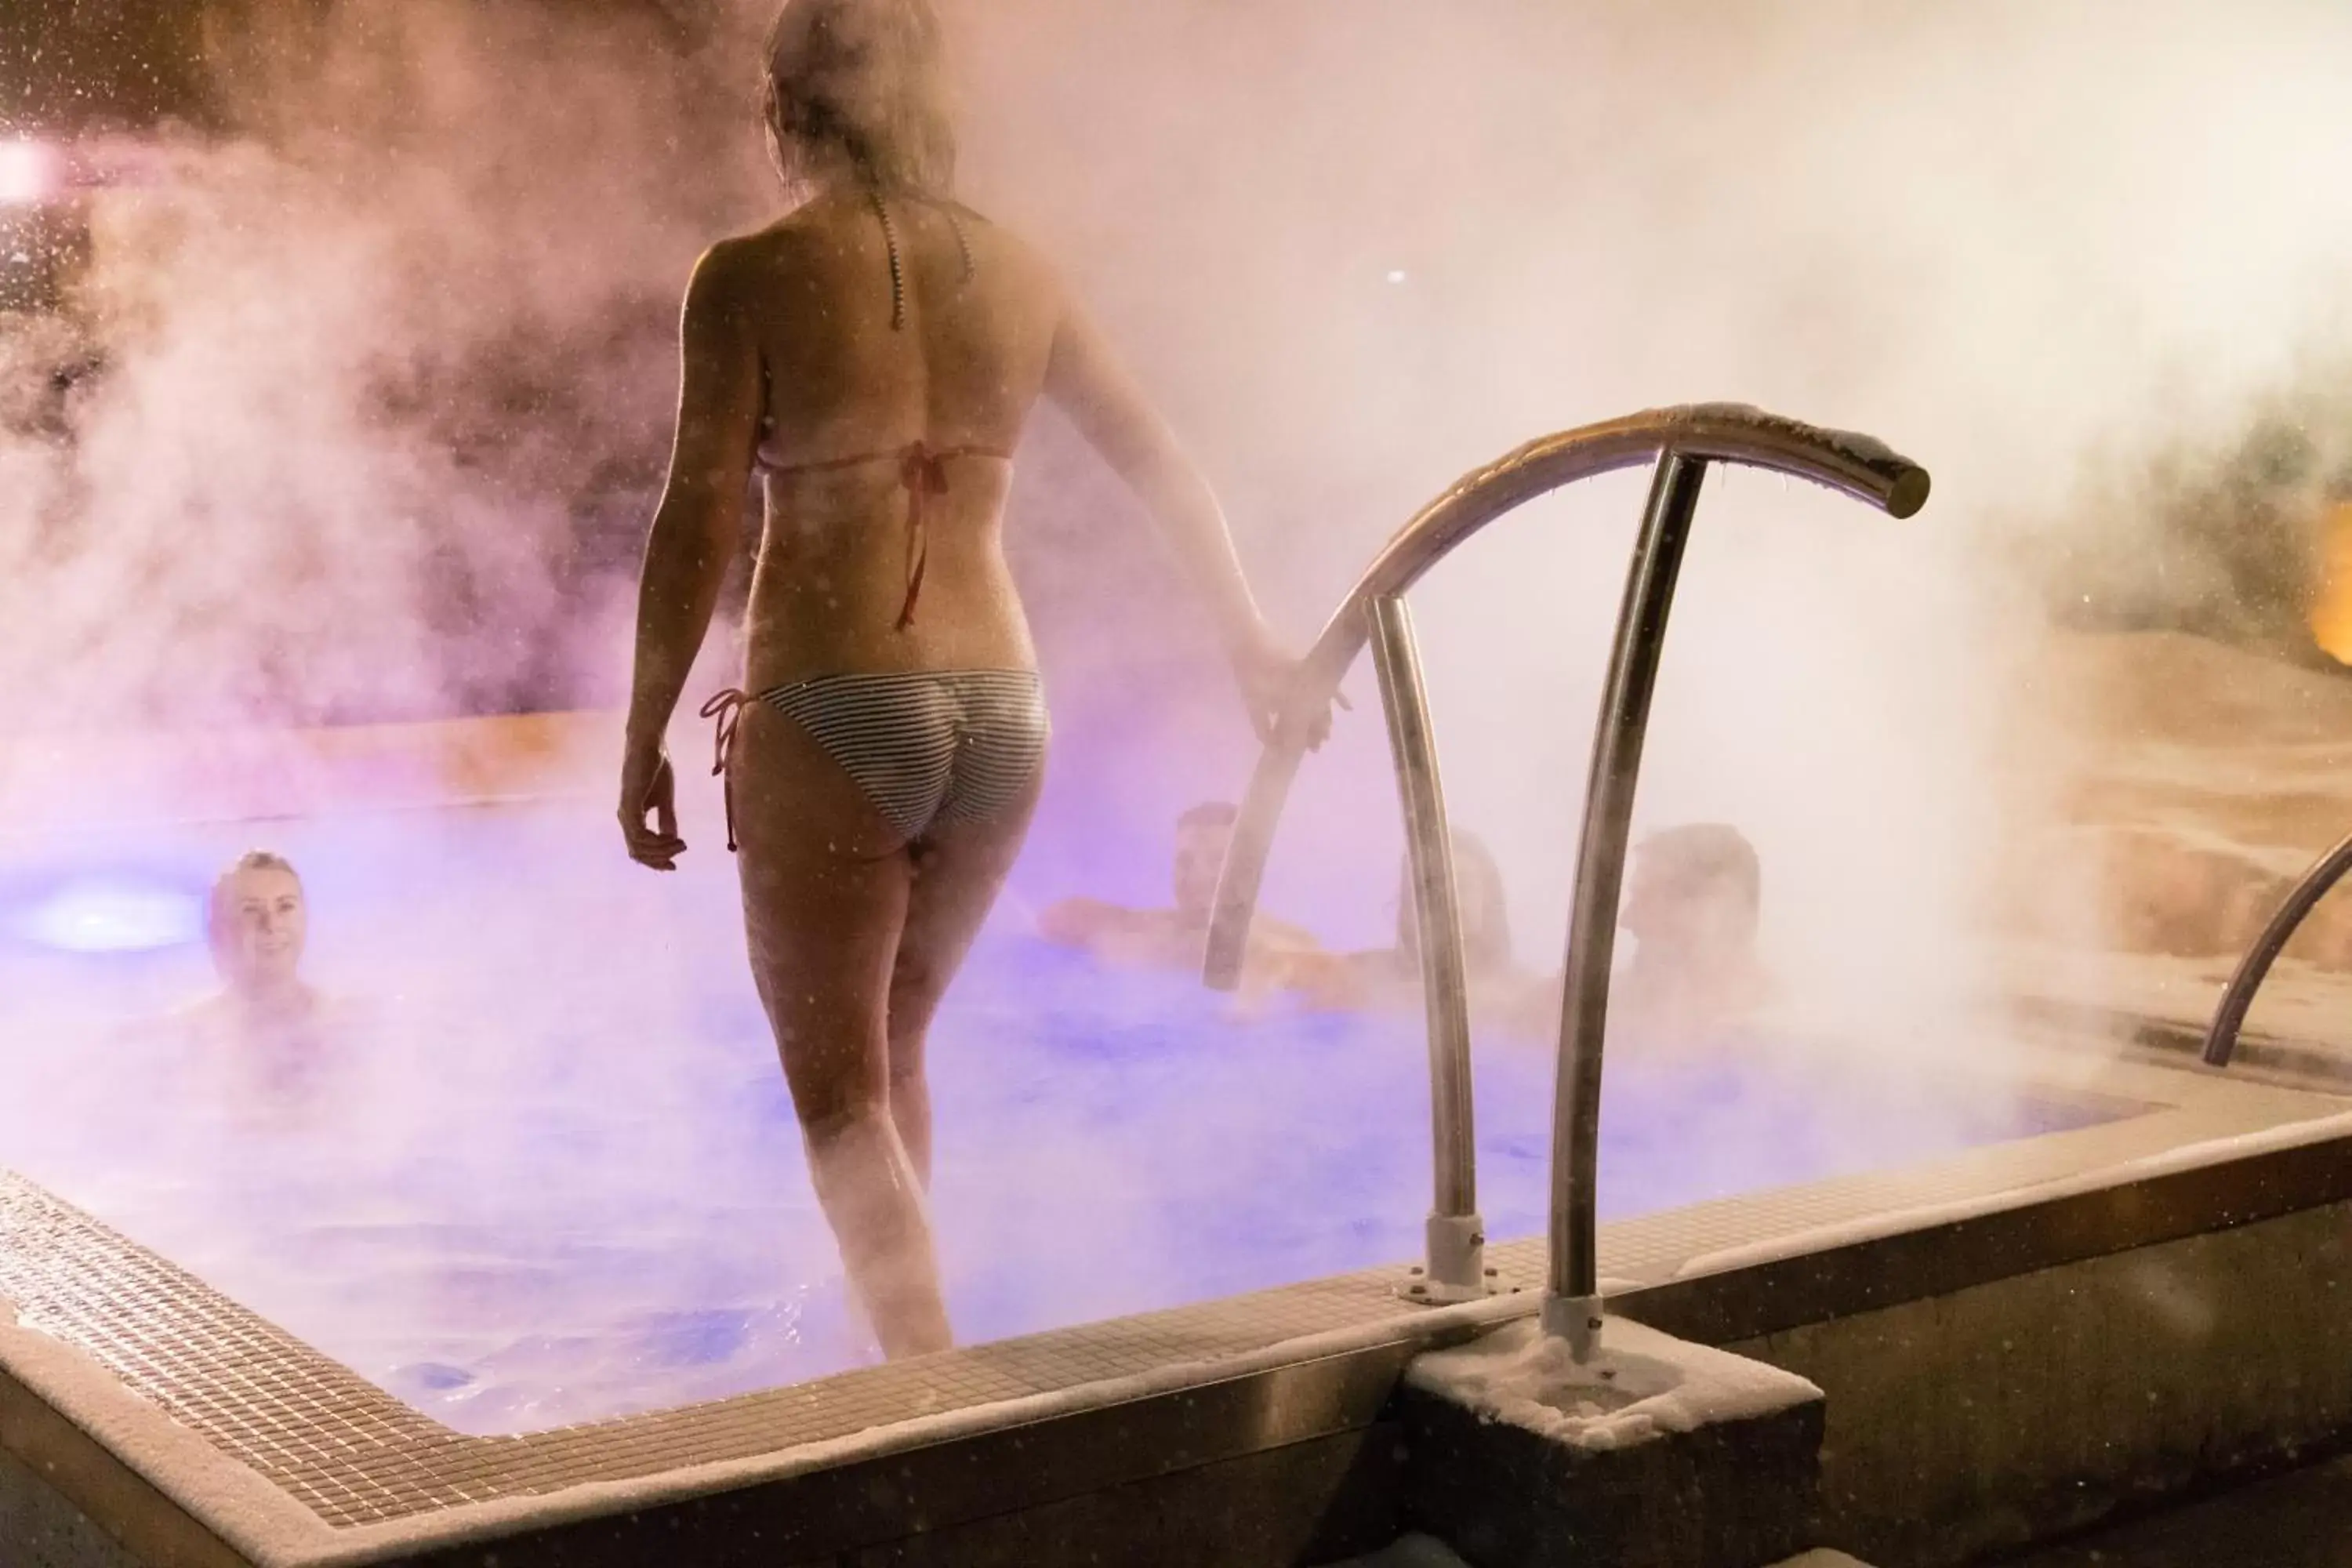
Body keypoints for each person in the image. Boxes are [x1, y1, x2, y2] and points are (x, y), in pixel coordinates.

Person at [617, 0, 1323, 1359]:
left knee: (836, 1100)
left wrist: (645, 733)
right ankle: (905, 1336)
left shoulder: (751, 274)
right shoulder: (1025, 274)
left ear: (784, 104)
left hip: (837, 702)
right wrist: (1250, 639)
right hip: (1002, 710)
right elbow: (1161, 459)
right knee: (893, 1051)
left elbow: (698, 512)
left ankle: (929, 1406)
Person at [1277, 828, 1535, 1023]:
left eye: (1463, 883)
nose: (1446, 897)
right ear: (1407, 904)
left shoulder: (1521, 991)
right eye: (1428, 884)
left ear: (1487, 901)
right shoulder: (1364, 973)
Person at [1036, 800, 1319, 971]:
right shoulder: (1155, 926)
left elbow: (1302, 968)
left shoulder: (1288, 944)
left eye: (1217, 860)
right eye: (1185, 862)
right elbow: (1060, 916)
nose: (1197, 876)